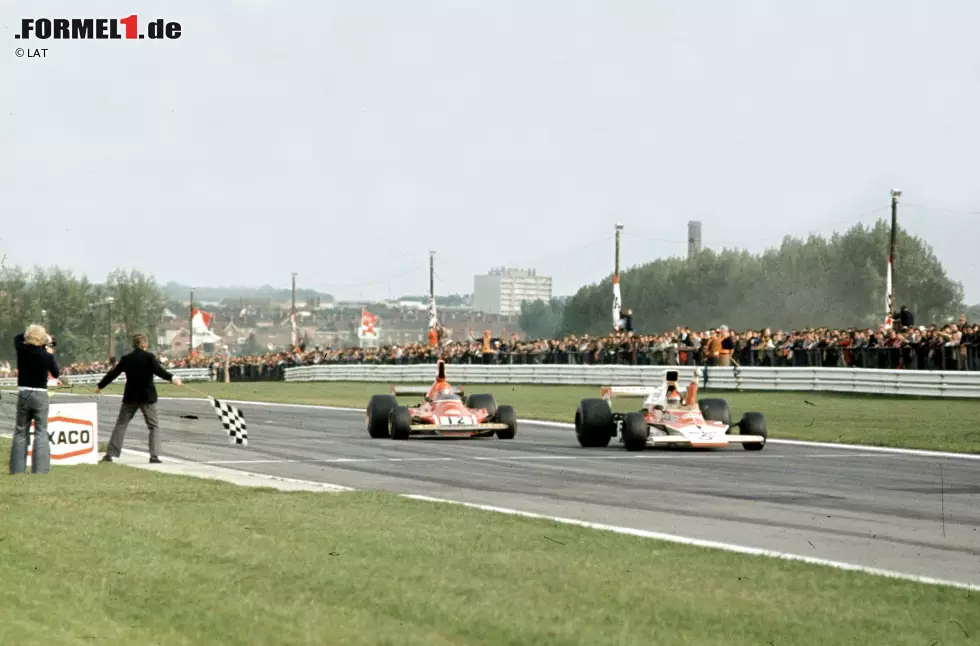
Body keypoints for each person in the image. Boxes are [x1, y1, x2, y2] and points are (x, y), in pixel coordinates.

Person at [96, 333, 183, 463]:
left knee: (121, 424)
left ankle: (110, 454)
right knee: (153, 426)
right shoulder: (149, 357)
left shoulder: (126, 359)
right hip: (147, 396)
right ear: (144, 344)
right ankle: (154, 456)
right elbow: (160, 371)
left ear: (134, 344)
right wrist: (173, 378)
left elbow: (113, 374)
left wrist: (100, 386)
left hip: (131, 396)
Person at [10, 324, 62, 475]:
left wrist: (30, 335)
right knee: (41, 431)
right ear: (42, 339)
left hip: (24, 392)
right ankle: (40, 470)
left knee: (20, 431)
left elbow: (17, 337)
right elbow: (56, 373)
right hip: (40, 393)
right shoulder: (46, 355)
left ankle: (17, 470)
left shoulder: (22, 350)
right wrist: (47, 344)